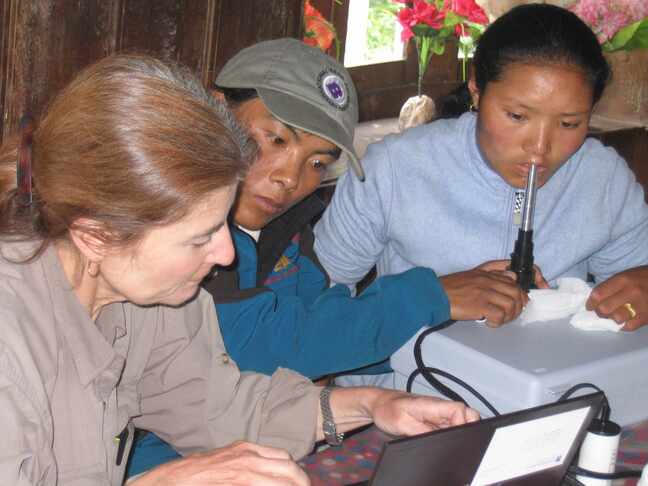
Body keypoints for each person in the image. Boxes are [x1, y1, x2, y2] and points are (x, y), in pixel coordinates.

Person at [0, 54, 479, 486]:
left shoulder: (148, 299)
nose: (227, 255)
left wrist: (372, 405)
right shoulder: (12, 340)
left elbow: (217, 405)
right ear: (97, 236)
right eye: (200, 236)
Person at [129, 37, 492, 477]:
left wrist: (457, 319)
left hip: (256, 446)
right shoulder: (177, 230)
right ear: (214, 107)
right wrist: (427, 298)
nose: (288, 177)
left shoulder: (285, 228)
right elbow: (265, 349)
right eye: (275, 139)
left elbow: (319, 320)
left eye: (317, 163)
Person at [314, 3, 648, 342]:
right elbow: (313, 302)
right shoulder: (394, 169)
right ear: (476, 89)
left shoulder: (603, 179)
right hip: (410, 384)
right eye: (517, 116)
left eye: (569, 123)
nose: (540, 147)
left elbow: (636, 279)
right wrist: (430, 297)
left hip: (550, 388)